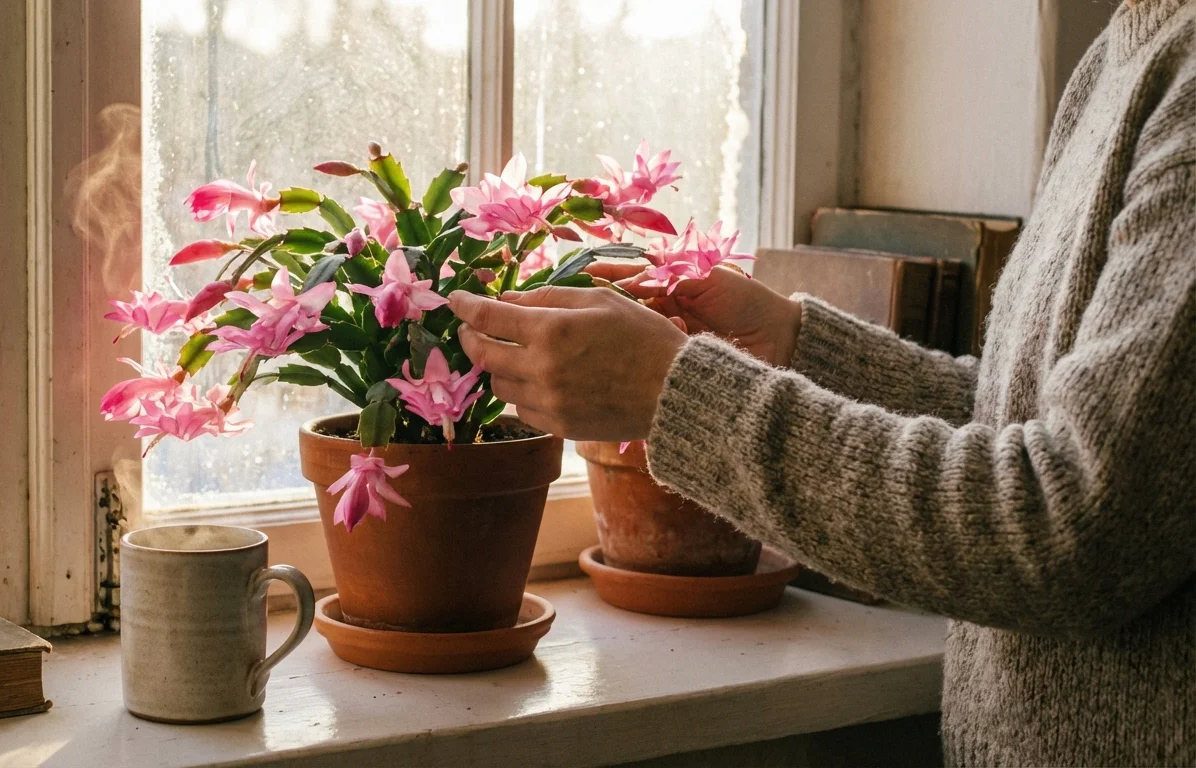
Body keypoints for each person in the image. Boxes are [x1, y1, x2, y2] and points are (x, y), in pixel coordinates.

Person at [449, 1, 1196, 765]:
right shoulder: (1129, 45)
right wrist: (800, 345)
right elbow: (1033, 426)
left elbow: (1072, 530)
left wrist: (682, 395)